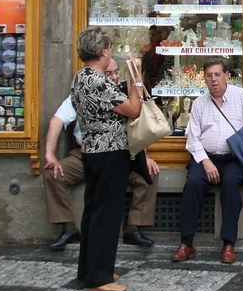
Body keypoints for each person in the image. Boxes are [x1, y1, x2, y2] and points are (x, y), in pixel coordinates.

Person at [43, 57, 160, 251]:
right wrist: (50, 154)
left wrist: (144, 157)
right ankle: (68, 227)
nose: (114, 78)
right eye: (108, 73)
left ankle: (134, 227)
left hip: (123, 154)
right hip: (85, 153)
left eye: (116, 73)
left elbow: (137, 126)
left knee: (149, 174)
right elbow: (57, 120)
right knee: (53, 173)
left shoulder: (124, 93)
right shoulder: (86, 90)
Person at [68, 27, 144, 291]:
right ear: (103, 51)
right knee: (107, 215)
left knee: (92, 211)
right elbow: (133, 110)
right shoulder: (98, 81)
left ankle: (89, 268)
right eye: (108, 48)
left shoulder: (80, 78)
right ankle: (99, 278)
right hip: (110, 152)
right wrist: (136, 78)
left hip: (91, 151)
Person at [170, 57, 243, 265]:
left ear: (227, 75)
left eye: (217, 75)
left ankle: (228, 244)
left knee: (231, 186)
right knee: (192, 184)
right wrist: (205, 162)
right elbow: (192, 138)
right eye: (209, 76)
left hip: (232, 159)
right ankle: (186, 243)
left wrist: (241, 146)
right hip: (206, 158)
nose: (213, 80)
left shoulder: (242, 96)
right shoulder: (200, 103)